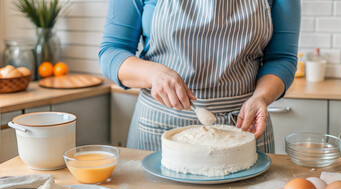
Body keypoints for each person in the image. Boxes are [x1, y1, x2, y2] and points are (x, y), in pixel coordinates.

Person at [99, 0, 301, 153]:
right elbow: (112, 52)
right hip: (159, 129)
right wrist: (152, 74)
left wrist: (262, 97)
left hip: (244, 129)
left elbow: (282, 58)